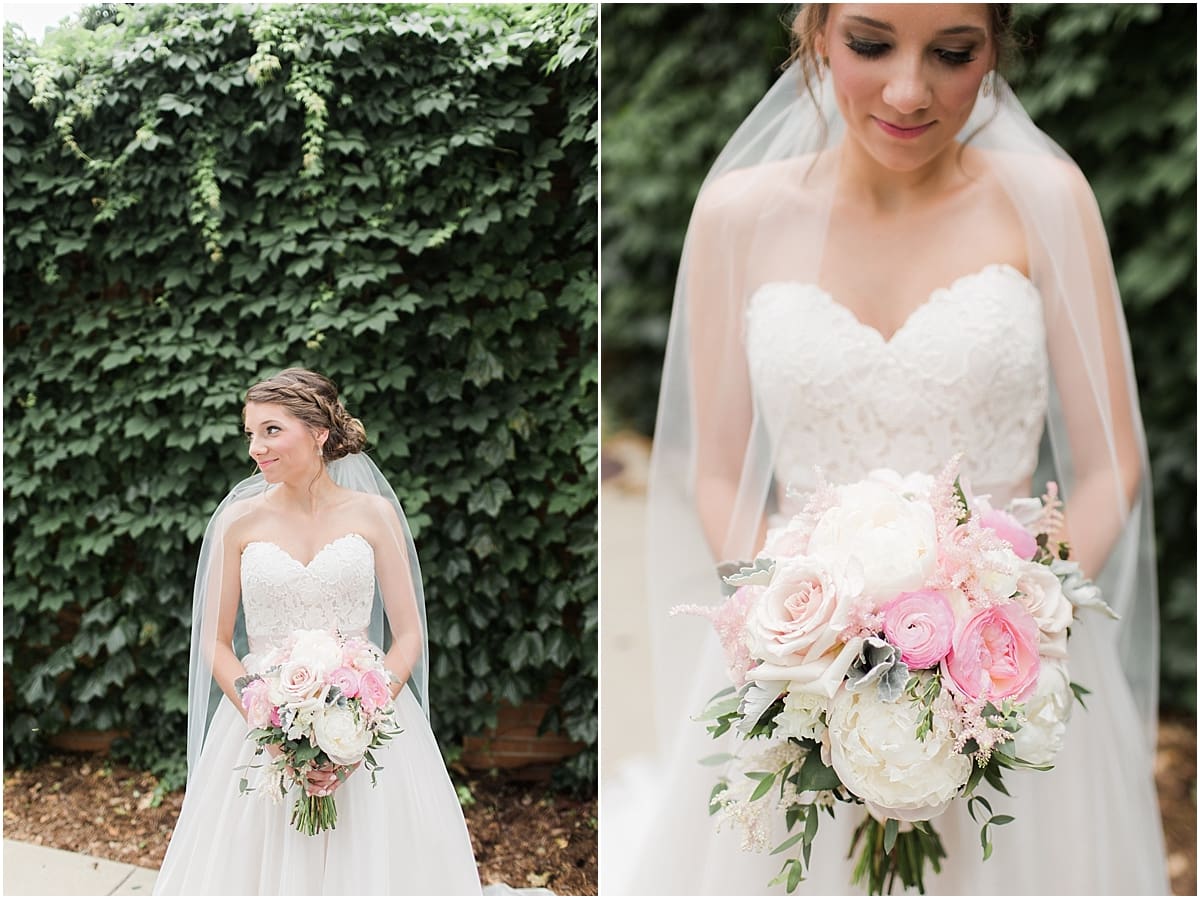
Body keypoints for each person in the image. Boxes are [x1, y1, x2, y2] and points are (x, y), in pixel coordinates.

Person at [603, 4, 1169, 894]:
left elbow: (1109, 468)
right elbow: (717, 470)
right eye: (872, 44)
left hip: (1011, 668)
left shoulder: (1048, 199)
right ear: (815, 32)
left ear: (995, 51)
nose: (910, 91)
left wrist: (1011, 632)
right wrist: (806, 652)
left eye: (952, 54)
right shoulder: (736, 213)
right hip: (800, 664)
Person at [155, 368, 482, 895]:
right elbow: (215, 643)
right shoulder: (238, 523)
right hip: (259, 722)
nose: (255, 448)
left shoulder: (375, 515)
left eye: (271, 431)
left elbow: (409, 636)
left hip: (367, 711)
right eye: (250, 434)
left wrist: (359, 724)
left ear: (319, 433)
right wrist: (270, 723)